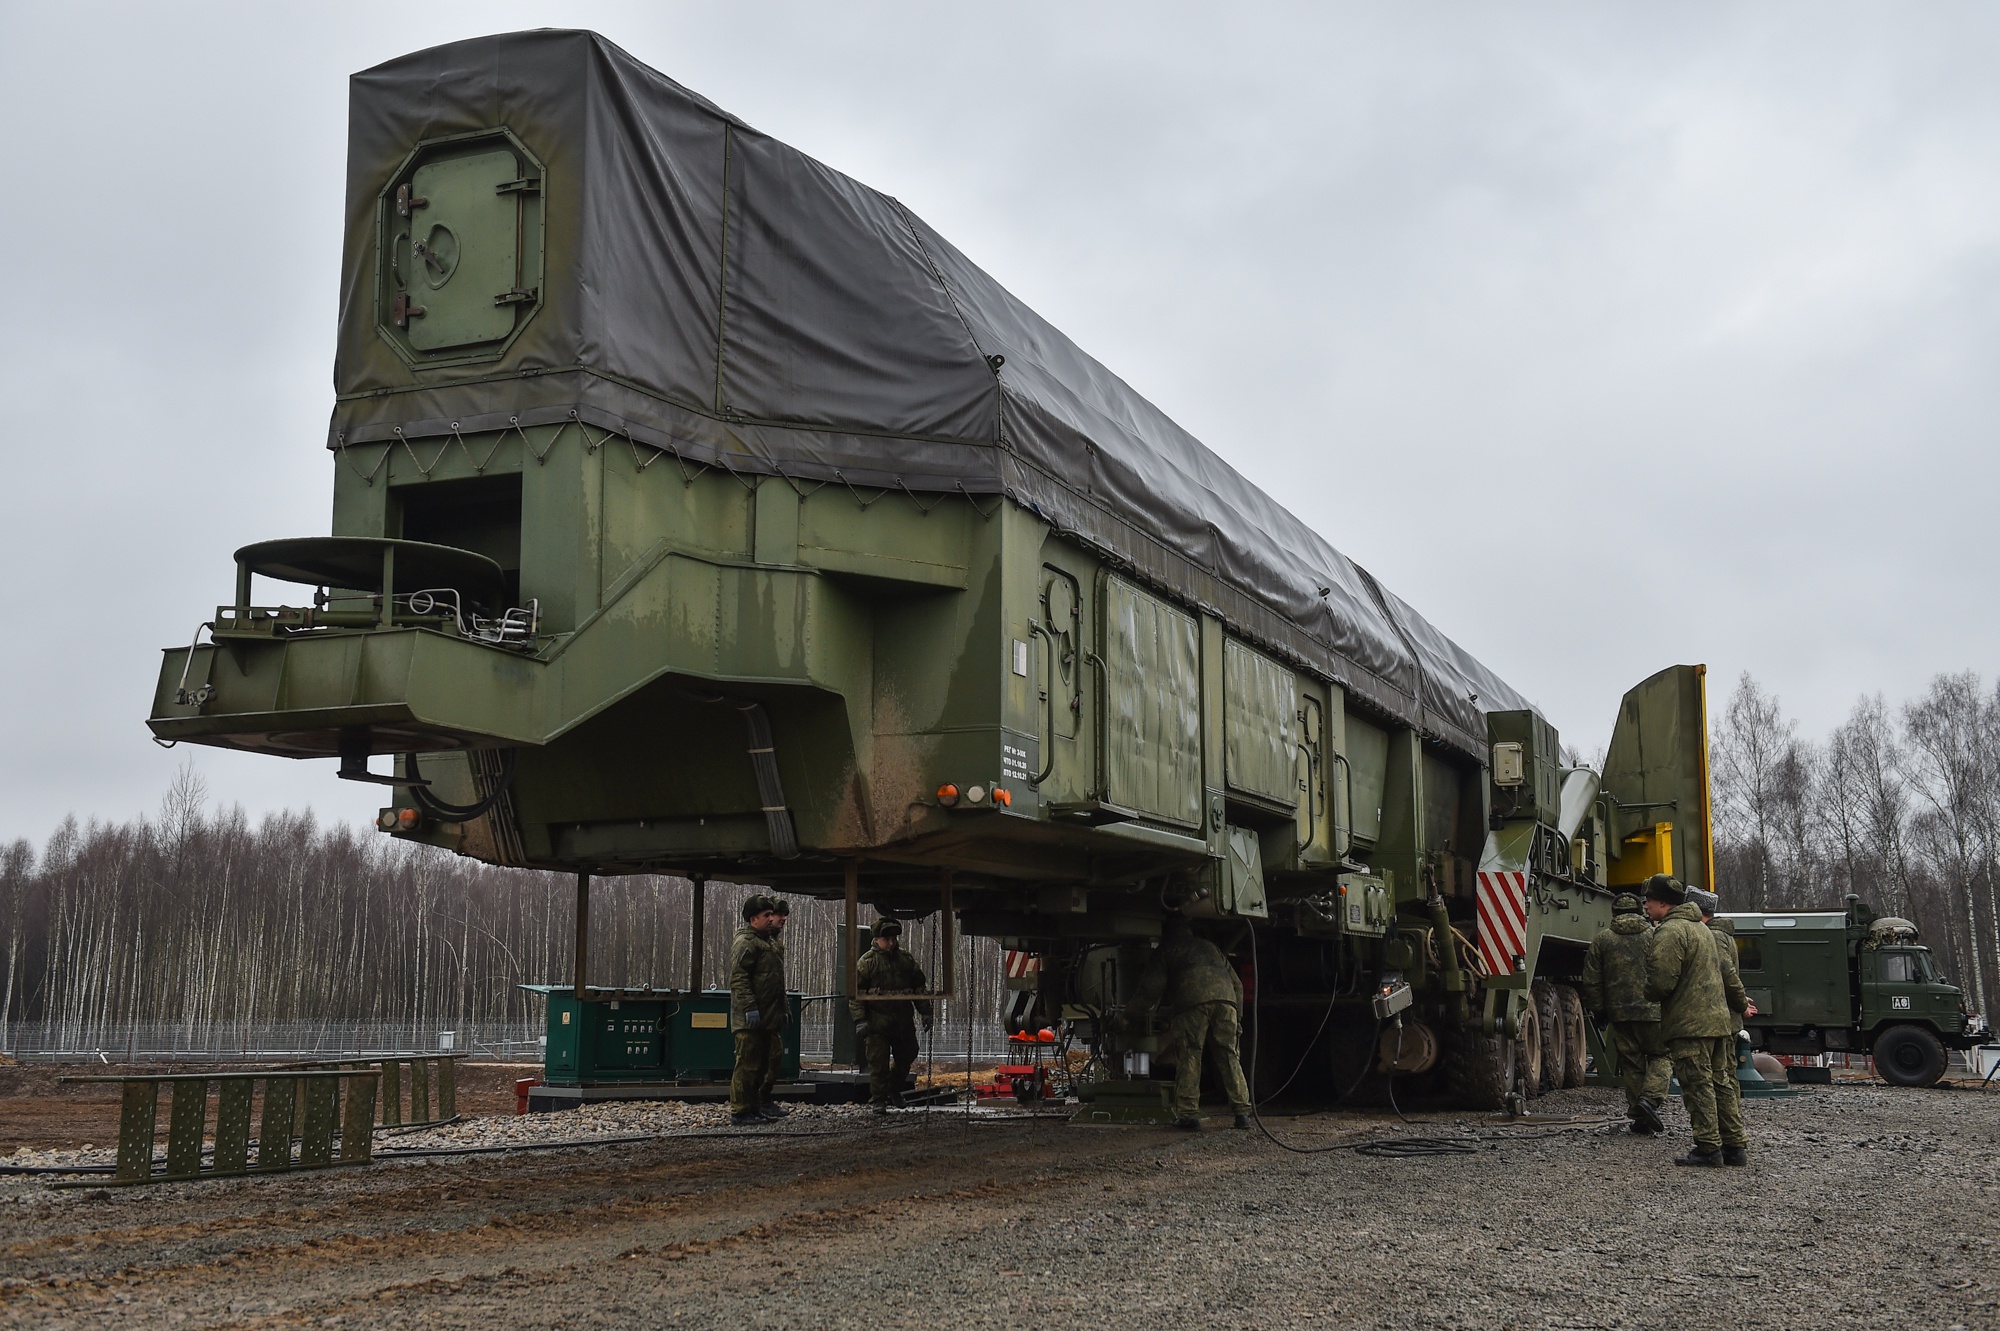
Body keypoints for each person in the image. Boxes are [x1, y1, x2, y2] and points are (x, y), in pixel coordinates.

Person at [1643, 875, 1747, 1167]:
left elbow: (1660, 983)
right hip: (1718, 1022)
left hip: (1690, 1025)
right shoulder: (1702, 930)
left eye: (1649, 900)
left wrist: (1647, 989)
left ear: (1663, 902)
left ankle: (1707, 1147)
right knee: (1722, 1082)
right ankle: (1734, 1146)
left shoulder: (1670, 931)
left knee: (1697, 1085)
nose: (1646, 905)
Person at [1123, 916, 1252, 1132]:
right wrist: (1237, 1016)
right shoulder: (1210, 947)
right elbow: (1237, 984)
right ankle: (1242, 1113)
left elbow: (1149, 990)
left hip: (1193, 1005)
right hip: (1226, 1002)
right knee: (1229, 1055)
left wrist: (1128, 1015)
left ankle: (1188, 1115)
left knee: (1190, 1054)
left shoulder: (1167, 950)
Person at [1578, 892, 1671, 1134]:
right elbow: (1666, 972)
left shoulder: (1602, 940)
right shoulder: (1655, 936)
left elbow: (1591, 981)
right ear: (1640, 911)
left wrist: (1598, 1010)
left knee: (1631, 1064)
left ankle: (1640, 1118)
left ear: (1614, 913)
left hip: (1619, 1014)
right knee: (1662, 1056)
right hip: (1654, 1012)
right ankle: (1650, 1100)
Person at [1688, 886, 1754, 1160]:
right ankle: (1732, 1140)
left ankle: (1727, 1139)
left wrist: (1741, 1004)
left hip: (1719, 1019)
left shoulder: (1712, 937)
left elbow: (1727, 976)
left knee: (1719, 1080)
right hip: (1726, 1018)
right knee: (1725, 1079)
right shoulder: (1723, 935)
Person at [850, 918, 934, 1112]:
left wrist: (926, 1011)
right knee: (877, 1063)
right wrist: (860, 1020)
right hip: (877, 1023)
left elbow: (918, 987)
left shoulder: (905, 960)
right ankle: (879, 1099)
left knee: (908, 1053)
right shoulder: (867, 962)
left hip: (902, 1021)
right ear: (877, 939)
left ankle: (893, 1088)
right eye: (886, 938)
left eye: (894, 938)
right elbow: (855, 993)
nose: (891, 942)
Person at [728, 894, 789, 1126]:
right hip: (750, 1019)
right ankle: (741, 1110)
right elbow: (739, 978)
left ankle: (754, 1107)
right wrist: (750, 1008)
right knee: (747, 1064)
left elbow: (776, 982)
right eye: (767, 915)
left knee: (762, 1064)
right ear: (754, 919)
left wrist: (783, 1009)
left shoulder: (768, 943)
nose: (772, 918)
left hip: (767, 1017)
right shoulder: (746, 943)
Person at [758, 897, 793, 1117]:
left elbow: (779, 982)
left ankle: (763, 1100)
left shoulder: (773, 943)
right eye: (779, 916)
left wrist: (785, 1007)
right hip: (760, 1011)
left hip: (772, 1011)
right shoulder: (758, 942)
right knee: (757, 1060)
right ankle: (755, 1103)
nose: (782, 920)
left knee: (773, 1056)